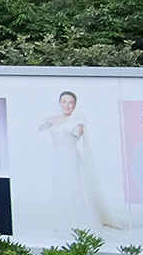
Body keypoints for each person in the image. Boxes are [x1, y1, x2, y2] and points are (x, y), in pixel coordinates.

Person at [38, 91, 122, 229]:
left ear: (75, 105)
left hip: (70, 156)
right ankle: (62, 219)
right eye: (64, 102)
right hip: (56, 156)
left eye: (70, 103)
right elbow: (41, 128)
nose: (67, 105)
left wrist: (73, 128)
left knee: (74, 186)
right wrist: (48, 123)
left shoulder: (77, 120)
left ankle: (78, 220)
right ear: (59, 103)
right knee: (59, 185)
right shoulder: (53, 118)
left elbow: (78, 133)